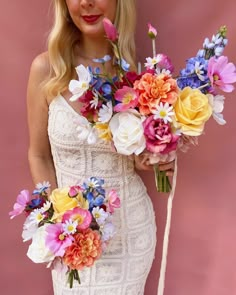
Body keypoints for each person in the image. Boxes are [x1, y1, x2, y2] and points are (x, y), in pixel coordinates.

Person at [27, 0, 174, 294]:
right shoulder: (48, 69)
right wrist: (58, 220)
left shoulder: (134, 75)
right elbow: (38, 154)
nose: (87, 2)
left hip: (130, 231)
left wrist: (150, 158)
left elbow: (126, 154)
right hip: (73, 234)